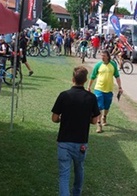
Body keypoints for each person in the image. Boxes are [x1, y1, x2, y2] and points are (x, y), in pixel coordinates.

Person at [52, 66, 101, 196]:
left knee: (64, 175)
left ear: (72, 78)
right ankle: (76, 194)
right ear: (85, 80)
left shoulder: (64, 95)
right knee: (79, 170)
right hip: (81, 142)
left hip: (64, 141)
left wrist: (61, 119)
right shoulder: (91, 97)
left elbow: (54, 118)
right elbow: (95, 120)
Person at [87, 50, 123, 133]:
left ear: (108, 56)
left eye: (104, 56)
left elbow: (117, 76)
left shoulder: (113, 65)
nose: (102, 57)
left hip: (109, 90)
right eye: (101, 56)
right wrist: (89, 86)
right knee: (99, 106)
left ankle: (104, 116)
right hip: (99, 89)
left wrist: (120, 87)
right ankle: (99, 124)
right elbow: (92, 76)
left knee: (107, 106)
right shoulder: (98, 65)